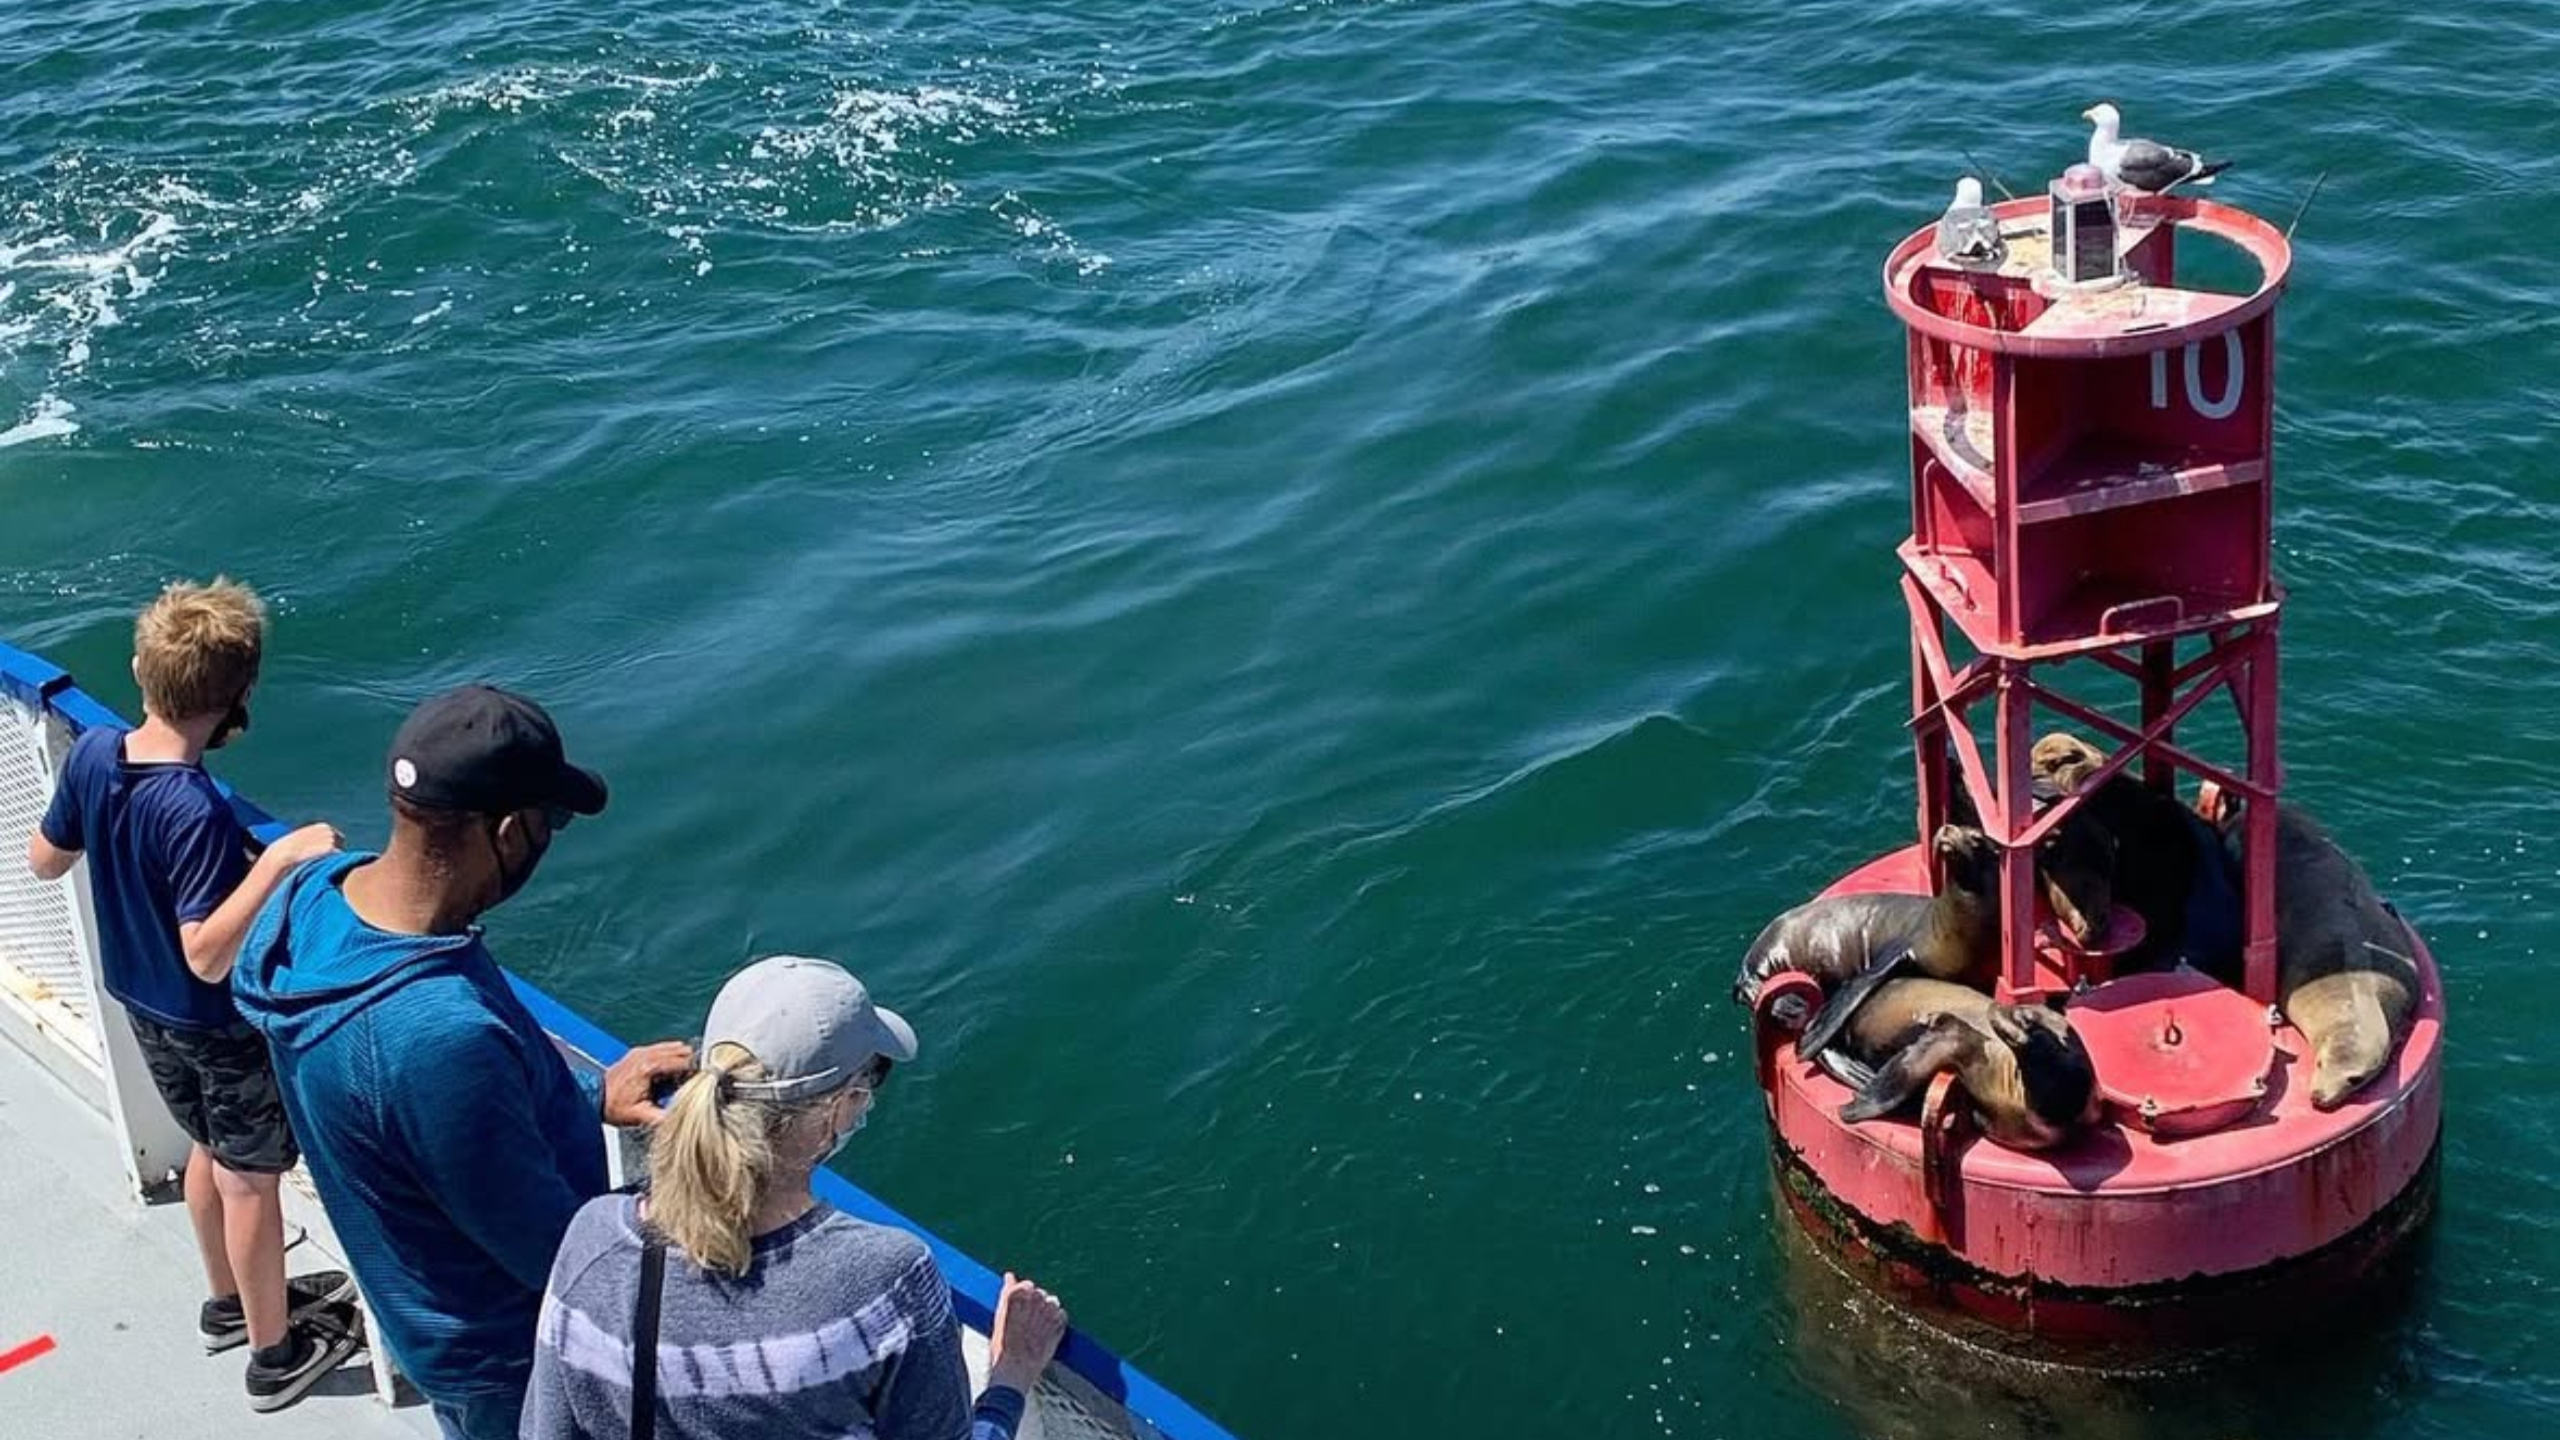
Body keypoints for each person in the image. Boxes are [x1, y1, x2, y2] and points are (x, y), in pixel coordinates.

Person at [229, 684, 695, 1440]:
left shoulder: (315, 901)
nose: (549, 835)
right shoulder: (437, 1038)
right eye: (552, 821)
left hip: (427, 1318)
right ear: (507, 832)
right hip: (510, 1360)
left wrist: (586, 1094)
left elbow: (434, 1130)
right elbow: (557, 1259)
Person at [24, 577, 361, 1411]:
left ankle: (229, 1304)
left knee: (207, 1149)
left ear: (141, 671)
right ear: (238, 699)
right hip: (212, 1020)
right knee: (251, 1176)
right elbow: (209, 954)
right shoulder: (195, 810)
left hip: (140, 1003)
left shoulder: (98, 755)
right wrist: (280, 861)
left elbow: (44, 859)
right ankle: (274, 1354)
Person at [522, 955, 1071, 1440]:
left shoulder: (594, 1236)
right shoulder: (886, 1278)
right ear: (839, 1107)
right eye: (871, 1081)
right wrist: (1011, 1376)